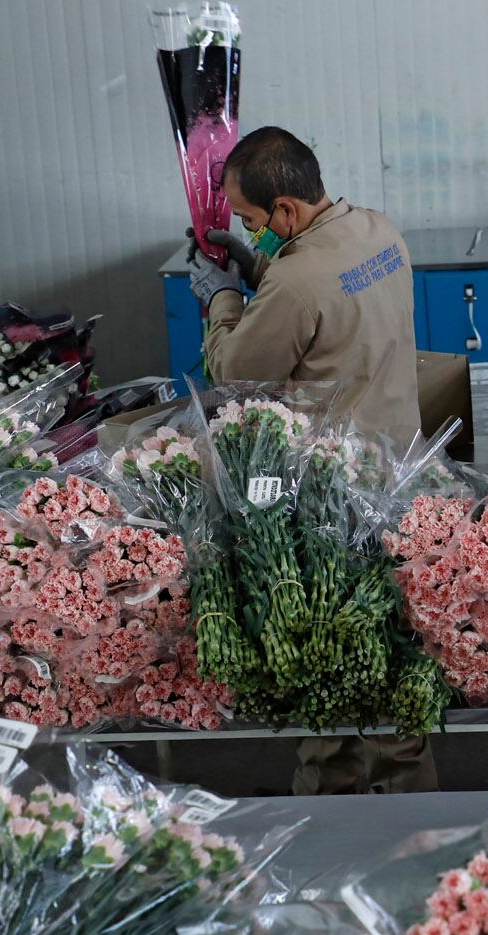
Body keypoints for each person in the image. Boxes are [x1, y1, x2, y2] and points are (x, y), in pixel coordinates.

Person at [188, 126, 432, 795]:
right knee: (392, 652)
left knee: (327, 665)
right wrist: (259, 266)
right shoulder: (379, 230)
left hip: (332, 496)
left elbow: (239, 374)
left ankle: (335, 808)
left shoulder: (294, 282)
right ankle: (412, 793)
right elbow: (330, 303)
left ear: (287, 212)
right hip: (400, 472)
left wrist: (221, 299)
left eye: (252, 221)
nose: (251, 229)